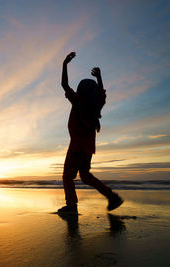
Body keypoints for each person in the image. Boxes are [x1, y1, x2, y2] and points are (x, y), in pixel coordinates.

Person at [58, 52, 123, 214]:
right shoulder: (96, 106)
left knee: (67, 176)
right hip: (87, 148)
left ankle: (71, 206)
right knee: (85, 176)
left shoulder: (79, 102)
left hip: (77, 146)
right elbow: (101, 94)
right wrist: (100, 77)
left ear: (81, 90)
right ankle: (112, 197)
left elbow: (64, 84)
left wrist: (65, 64)